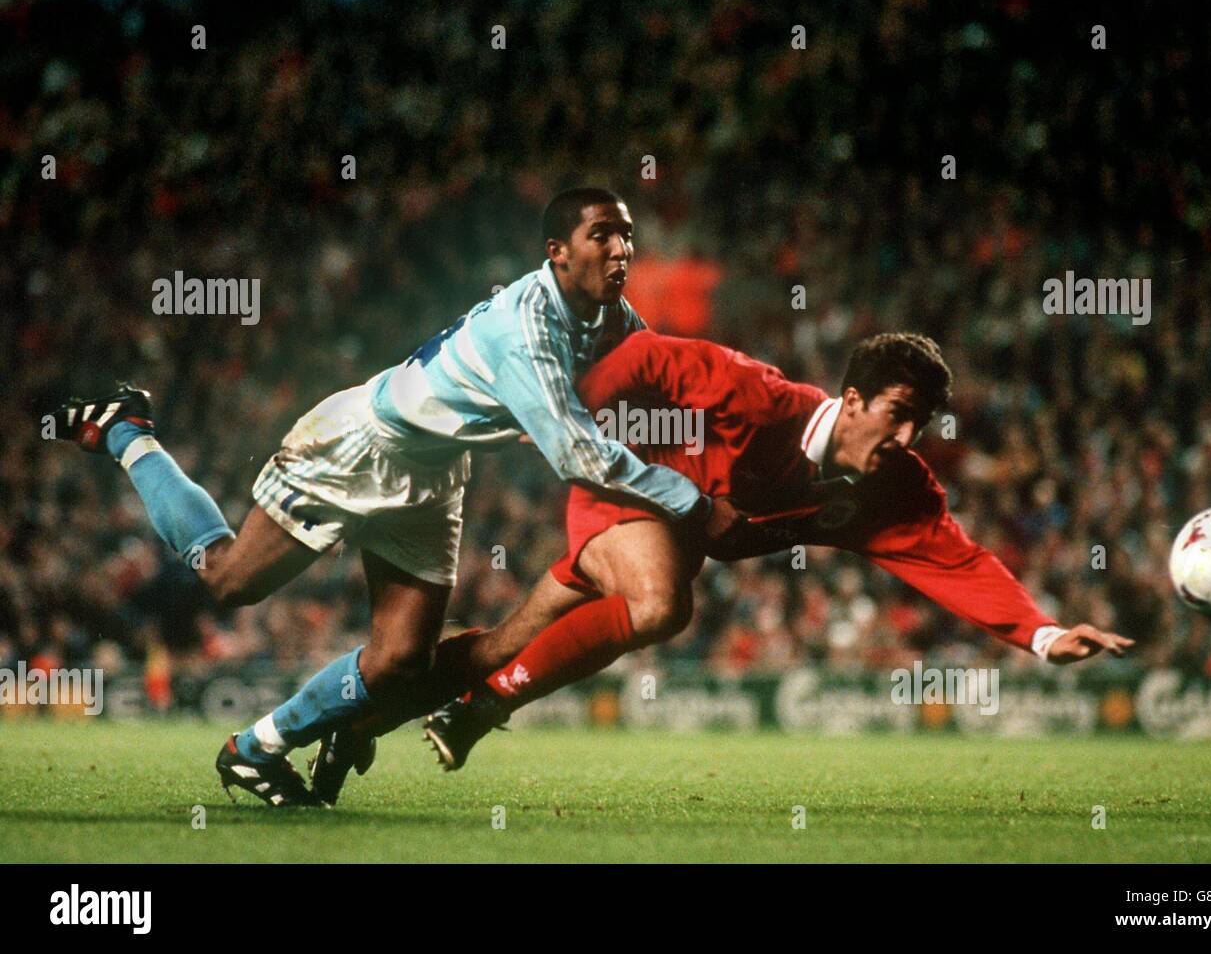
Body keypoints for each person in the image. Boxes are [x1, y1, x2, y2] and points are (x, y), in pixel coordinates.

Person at [48, 188, 737, 806]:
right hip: (363, 443)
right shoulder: (525, 328)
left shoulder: (613, 319)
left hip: (433, 475)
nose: (621, 250)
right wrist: (695, 502)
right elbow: (576, 453)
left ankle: (257, 747)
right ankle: (128, 432)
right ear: (558, 253)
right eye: (603, 236)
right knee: (229, 580)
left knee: (401, 659)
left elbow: (662, 383)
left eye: (627, 236)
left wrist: (742, 445)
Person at [405, 330, 1133, 774]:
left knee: (501, 644)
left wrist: (1041, 632)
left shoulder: (891, 488)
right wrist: (566, 418)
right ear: (852, 401)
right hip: (623, 495)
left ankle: (357, 712)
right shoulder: (756, 397)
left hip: (670, 537)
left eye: (923, 425)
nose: (909, 439)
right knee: (661, 606)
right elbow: (647, 355)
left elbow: (955, 559)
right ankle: (483, 708)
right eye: (899, 417)